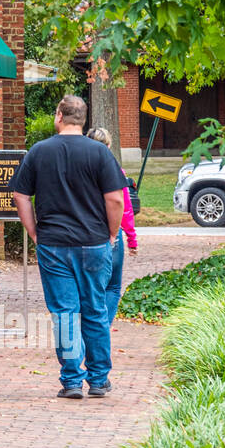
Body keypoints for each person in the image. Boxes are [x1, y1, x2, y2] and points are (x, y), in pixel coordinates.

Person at [9, 95, 125, 399]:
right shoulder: (100, 153)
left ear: (59, 116)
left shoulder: (39, 152)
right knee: (95, 310)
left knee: (64, 313)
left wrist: (34, 231)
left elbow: (21, 196)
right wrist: (112, 234)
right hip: (94, 242)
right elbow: (115, 199)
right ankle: (99, 380)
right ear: (82, 119)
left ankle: (72, 379)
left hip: (54, 244)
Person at [87, 126, 138, 327]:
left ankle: (91, 327)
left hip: (85, 234)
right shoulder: (116, 171)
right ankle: (102, 328)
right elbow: (124, 209)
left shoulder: (80, 171)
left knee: (90, 286)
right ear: (108, 146)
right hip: (111, 236)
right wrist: (132, 239)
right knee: (113, 287)